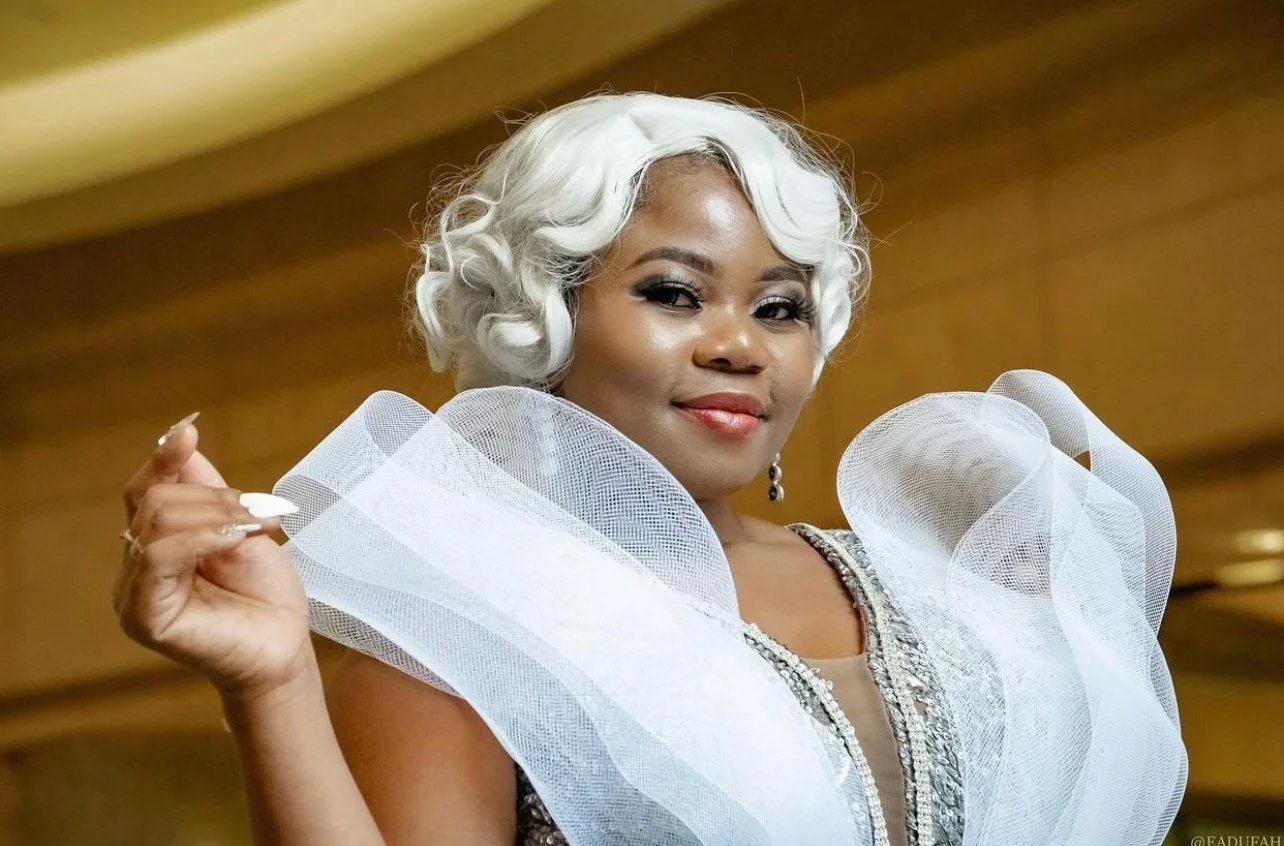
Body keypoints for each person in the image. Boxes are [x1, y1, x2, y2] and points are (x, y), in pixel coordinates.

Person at [113, 93, 1185, 846]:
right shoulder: (464, 634)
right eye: (676, 293)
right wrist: (273, 684)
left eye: (781, 307)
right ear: (545, 323)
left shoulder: (921, 592)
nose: (740, 343)